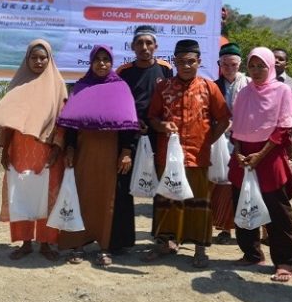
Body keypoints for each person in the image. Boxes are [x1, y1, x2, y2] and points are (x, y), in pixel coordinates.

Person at [0, 39, 68, 261]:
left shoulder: (58, 85)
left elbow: (63, 120)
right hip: (20, 148)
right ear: (26, 59)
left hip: (48, 150)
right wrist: (4, 149)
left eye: (42, 57)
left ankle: (46, 243)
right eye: (33, 57)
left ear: (50, 59)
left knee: (48, 196)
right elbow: (8, 119)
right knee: (23, 195)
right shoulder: (17, 84)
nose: (38, 61)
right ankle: (26, 242)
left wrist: (57, 146)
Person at [144, 39, 231, 268]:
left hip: (197, 156)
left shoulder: (209, 87)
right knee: (167, 200)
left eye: (191, 61)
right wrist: (162, 127)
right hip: (168, 155)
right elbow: (152, 118)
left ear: (199, 62)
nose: (186, 66)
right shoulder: (163, 87)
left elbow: (223, 118)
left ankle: (200, 249)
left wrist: (208, 140)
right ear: (174, 62)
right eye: (181, 61)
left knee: (198, 202)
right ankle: (165, 243)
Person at [57, 45, 139, 266]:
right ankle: (78, 245)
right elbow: (71, 124)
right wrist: (70, 149)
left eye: (106, 59)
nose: (102, 63)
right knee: (82, 196)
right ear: (91, 62)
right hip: (84, 151)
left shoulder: (121, 88)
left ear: (111, 63)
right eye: (98, 59)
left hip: (110, 152)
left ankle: (105, 246)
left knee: (107, 200)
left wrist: (126, 151)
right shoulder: (82, 87)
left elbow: (128, 125)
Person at [228, 47, 292, 281]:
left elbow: (283, 128)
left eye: (262, 66)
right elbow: (236, 127)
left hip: (269, 154)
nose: (257, 71)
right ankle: (252, 253)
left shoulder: (282, 91)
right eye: (253, 66)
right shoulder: (244, 93)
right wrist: (238, 152)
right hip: (244, 155)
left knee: (277, 210)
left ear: (271, 67)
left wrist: (260, 154)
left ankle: (285, 262)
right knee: (243, 203)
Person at [114, 25, 173, 254]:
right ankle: (121, 241)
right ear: (133, 46)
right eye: (140, 43)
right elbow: (116, 104)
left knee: (162, 188)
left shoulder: (166, 70)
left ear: (156, 46)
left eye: (149, 43)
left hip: (158, 136)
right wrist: (132, 121)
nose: (145, 48)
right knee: (122, 188)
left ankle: (162, 238)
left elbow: (170, 102)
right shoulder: (123, 71)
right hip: (129, 137)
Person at [211, 42, 251, 245]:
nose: (229, 68)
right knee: (224, 185)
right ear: (219, 64)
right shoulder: (213, 86)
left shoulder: (250, 84)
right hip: (221, 141)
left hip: (246, 141)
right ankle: (224, 228)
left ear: (240, 64)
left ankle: (250, 227)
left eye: (233, 64)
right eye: (225, 64)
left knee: (247, 184)